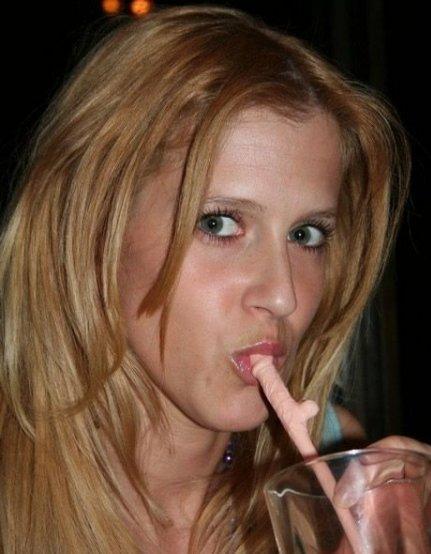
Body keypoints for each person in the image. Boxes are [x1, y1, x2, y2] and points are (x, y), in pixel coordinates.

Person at [0, 5, 428, 553]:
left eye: (306, 235)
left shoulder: (338, 483)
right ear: (92, 229)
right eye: (219, 224)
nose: (283, 295)